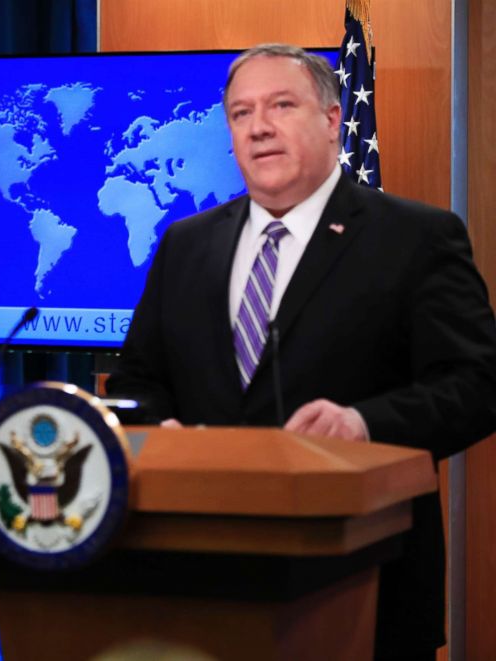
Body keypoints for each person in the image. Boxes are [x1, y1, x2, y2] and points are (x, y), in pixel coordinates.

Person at [107, 44, 496, 659]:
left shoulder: (416, 237)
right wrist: (161, 430)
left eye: (281, 105)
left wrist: (365, 424)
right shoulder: (185, 244)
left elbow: (477, 384)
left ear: (333, 118)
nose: (258, 126)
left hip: (361, 586)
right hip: (200, 583)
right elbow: (137, 380)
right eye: (240, 113)